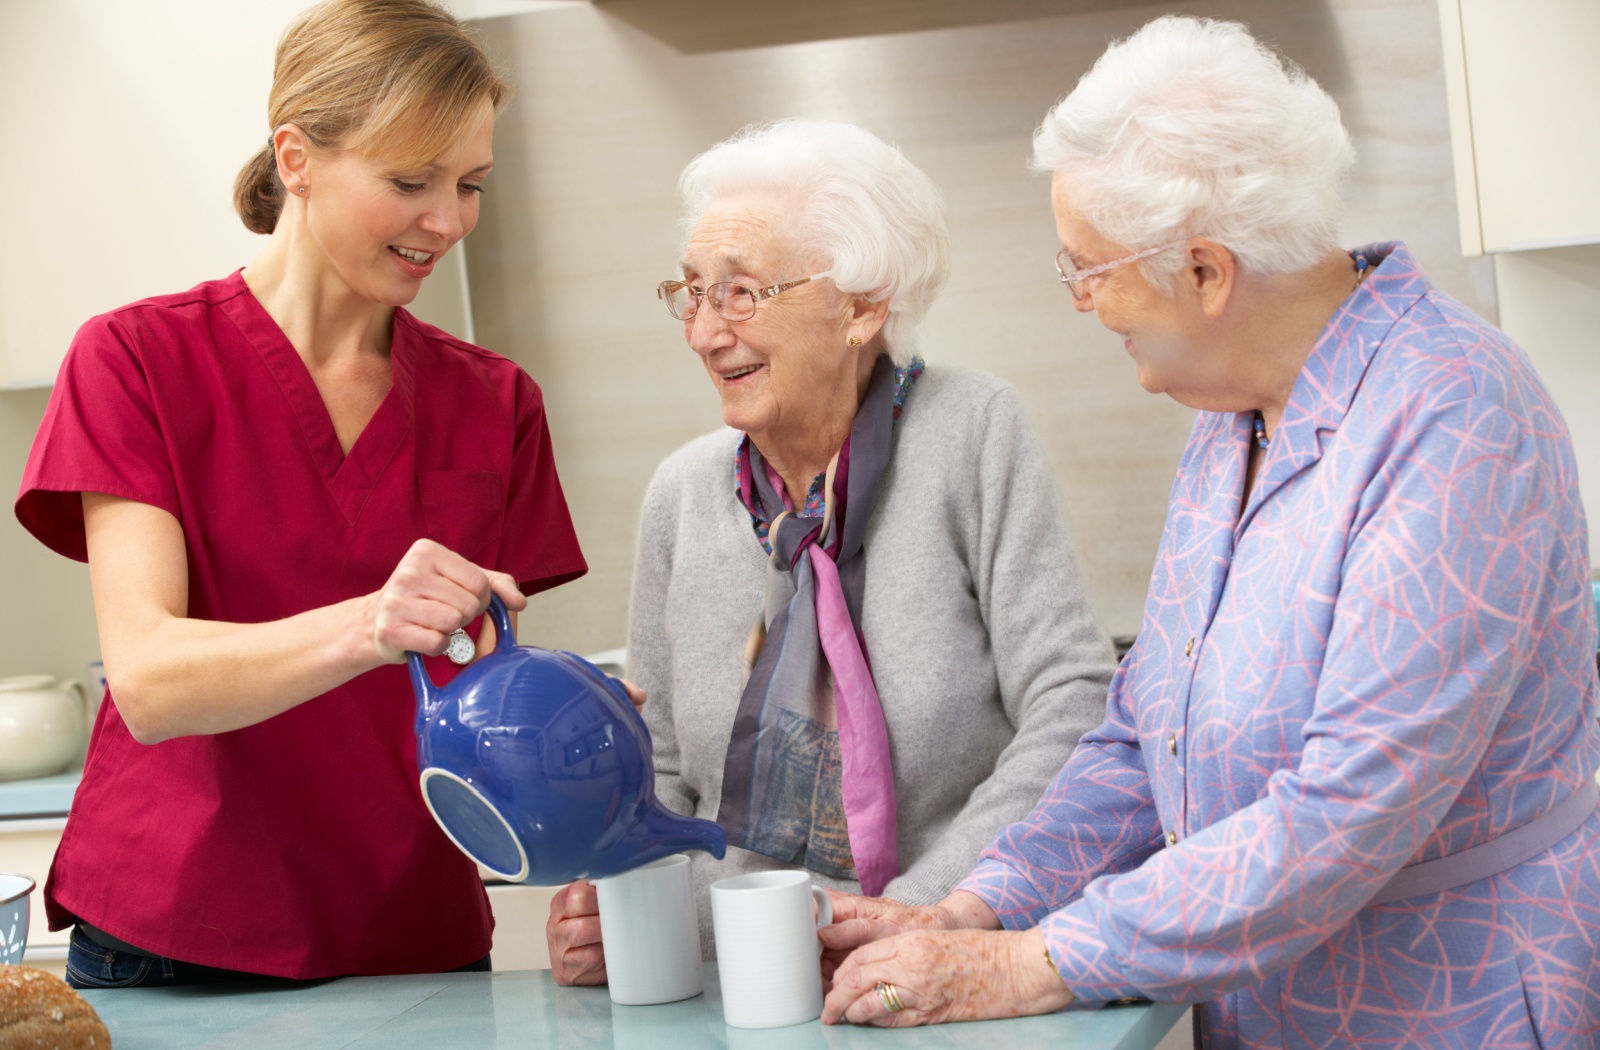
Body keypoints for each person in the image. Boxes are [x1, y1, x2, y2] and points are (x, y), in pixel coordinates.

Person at [818, 16, 1600, 1048]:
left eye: (1086, 267)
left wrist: (1033, 962)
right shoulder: (1233, 413)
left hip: (1453, 1000)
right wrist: (981, 903)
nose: (1082, 301)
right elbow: (1146, 737)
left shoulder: (1454, 411)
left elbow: (1348, 810)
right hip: (1266, 1005)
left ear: (1204, 272)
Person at [15, 0, 587, 986]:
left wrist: (581, 737)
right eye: (411, 180)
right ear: (297, 158)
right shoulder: (137, 361)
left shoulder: (496, 403)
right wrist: (374, 622)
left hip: (414, 935)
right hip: (180, 933)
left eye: (470, 184)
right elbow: (148, 679)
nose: (447, 221)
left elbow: (476, 696)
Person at [545, 118, 1115, 983]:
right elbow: (653, 772)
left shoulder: (972, 434)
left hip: (946, 962)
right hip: (734, 979)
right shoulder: (683, 495)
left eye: (740, 294)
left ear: (862, 307)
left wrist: (928, 912)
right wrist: (627, 913)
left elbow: (1070, 710)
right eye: (692, 293)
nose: (703, 332)